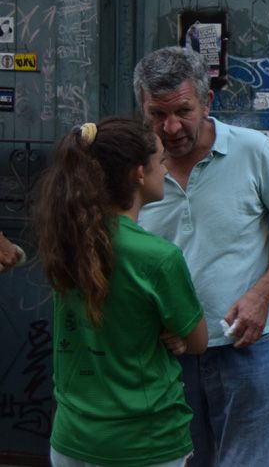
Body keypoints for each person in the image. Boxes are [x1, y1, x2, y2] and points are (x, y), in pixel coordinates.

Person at [134, 47, 269, 467]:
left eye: (183, 110)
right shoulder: (135, 168)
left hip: (246, 346)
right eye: (157, 116)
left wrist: (260, 297)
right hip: (165, 354)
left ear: (207, 101)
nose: (172, 127)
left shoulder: (252, 149)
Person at [34, 118, 207, 467]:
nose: (166, 167)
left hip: (71, 440)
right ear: (138, 174)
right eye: (160, 160)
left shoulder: (67, 242)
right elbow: (199, 340)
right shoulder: (158, 257)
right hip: (144, 444)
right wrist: (174, 334)